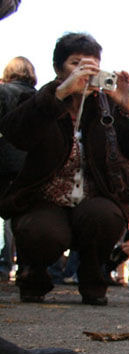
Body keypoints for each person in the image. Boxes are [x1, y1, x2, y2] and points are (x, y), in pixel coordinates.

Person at [0, 32, 129, 305]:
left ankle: (93, 277)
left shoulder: (107, 107)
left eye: (92, 65)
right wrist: (60, 94)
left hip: (93, 199)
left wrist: (128, 105)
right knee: (42, 231)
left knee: (105, 216)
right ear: (59, 69)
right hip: (44, 200)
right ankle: (33, 275)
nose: (85, 71)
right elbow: (16, 132)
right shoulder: (42, 100)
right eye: (76, 64)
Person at [0, 56, 37, 281]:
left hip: (4, 162)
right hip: (30, 163)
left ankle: (4, 265)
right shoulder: (38, 96)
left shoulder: (3, 93)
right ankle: (26, 266)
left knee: (5, 216)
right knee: (24, 217)